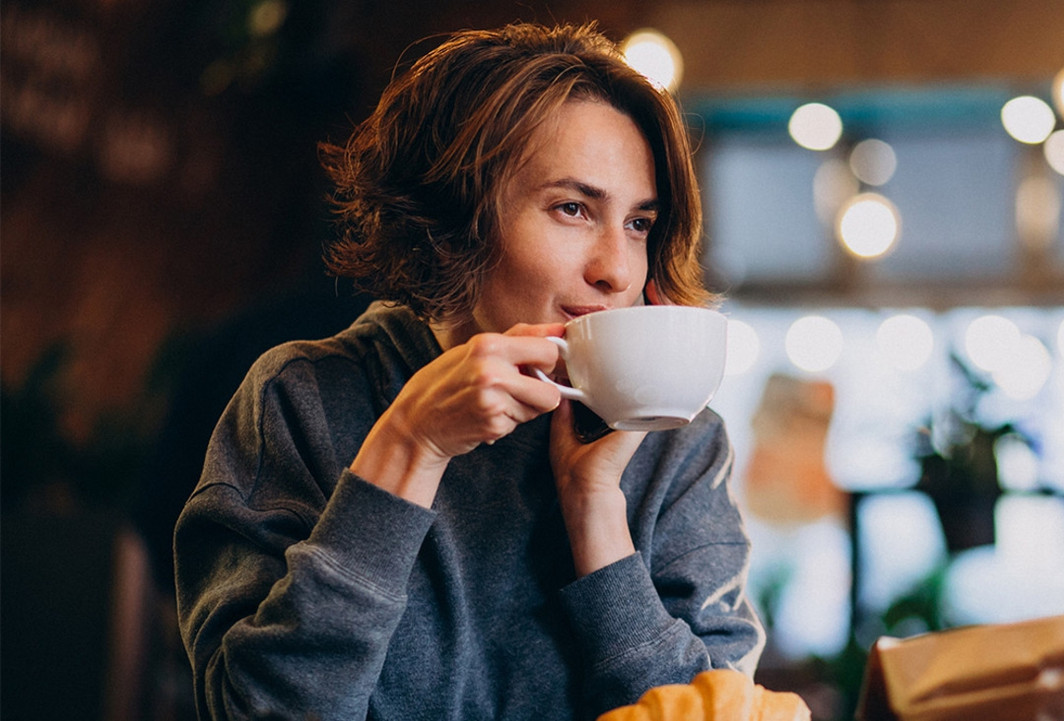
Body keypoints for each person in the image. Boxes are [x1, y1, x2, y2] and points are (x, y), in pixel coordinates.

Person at [173, 21, 764, 721]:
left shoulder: (677, 444)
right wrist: (408, 446)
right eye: (573, 209)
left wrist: (597, 514)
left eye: (638, 223)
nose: (618, 270)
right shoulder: (305, 400)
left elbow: (718, 710)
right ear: (454, 220)